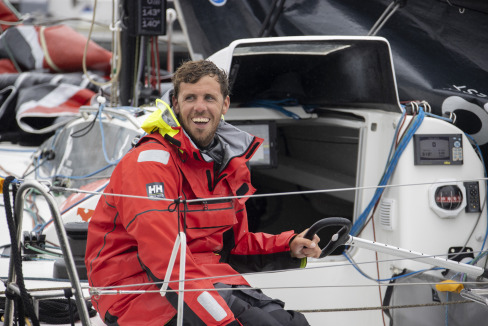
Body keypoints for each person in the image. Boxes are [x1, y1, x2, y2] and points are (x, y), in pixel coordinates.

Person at [85, 60, 321, 325]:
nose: (200, 106)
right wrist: (221, 320)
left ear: (225, 105)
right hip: (136, 290)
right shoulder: (149, 163)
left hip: (206, 278)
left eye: (209, 97)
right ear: (175, 103)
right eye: (190, 98)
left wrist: (288, 246)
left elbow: (234, 246)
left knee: (291, 322)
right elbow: (163, 258)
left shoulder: (223, 164)